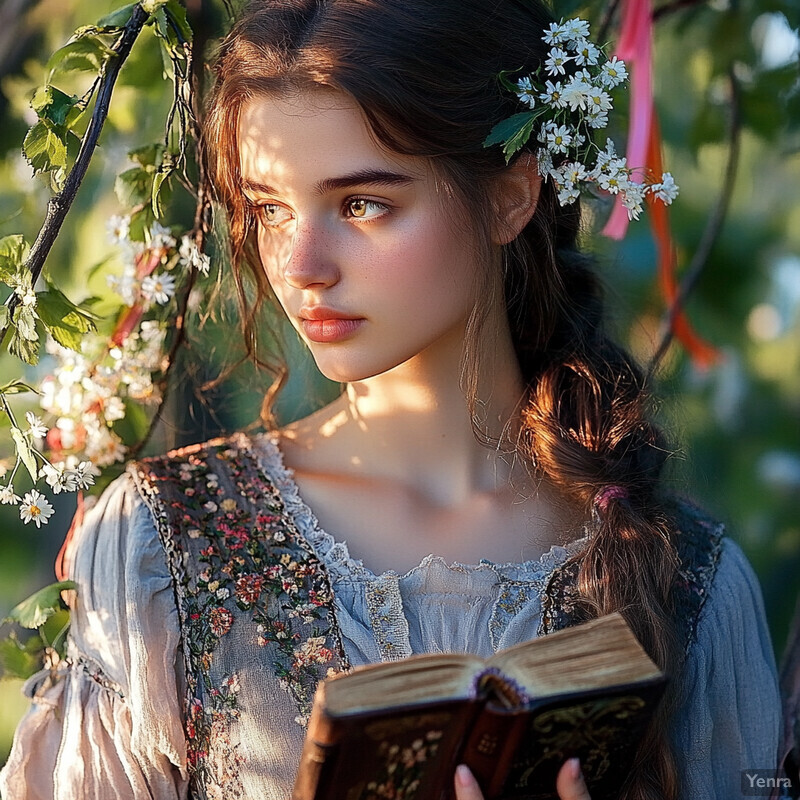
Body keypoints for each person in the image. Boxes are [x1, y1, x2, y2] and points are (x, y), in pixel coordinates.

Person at [0, 0, 783, 798]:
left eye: (362, 204)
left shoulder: (689, 577)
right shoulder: (160, 543)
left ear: (513, 194)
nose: (302, 265)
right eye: (270, 208)